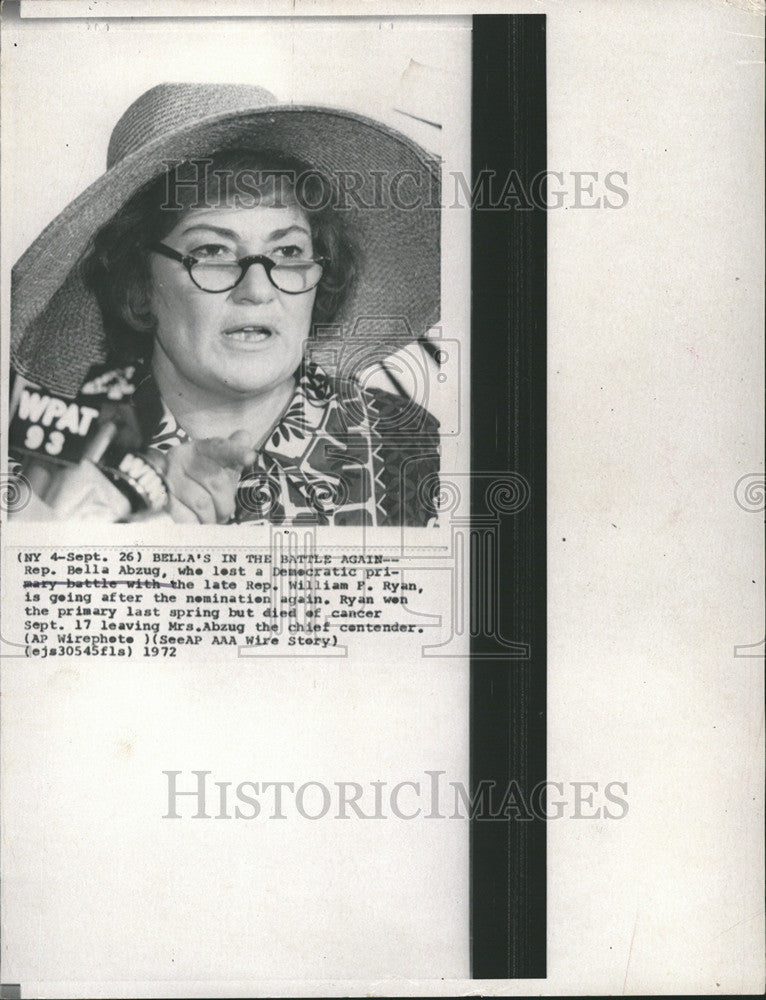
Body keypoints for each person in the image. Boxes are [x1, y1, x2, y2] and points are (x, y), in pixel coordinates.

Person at [9, 83, 441, 525]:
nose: (257, 289)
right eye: (213, 251)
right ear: (138, 285)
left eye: (289, 252)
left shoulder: (418, 451)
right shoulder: (45, 464)